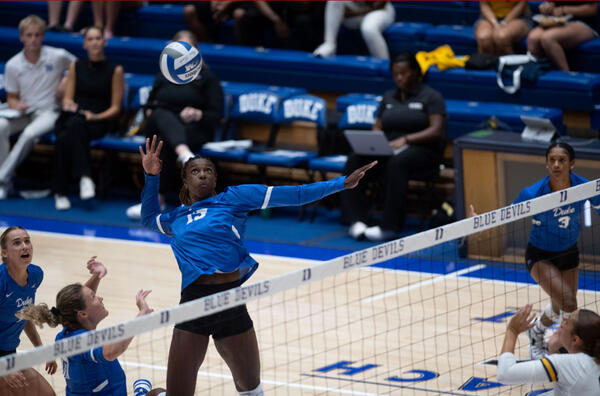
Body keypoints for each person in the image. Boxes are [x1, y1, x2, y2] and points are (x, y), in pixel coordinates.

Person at [138, 135, 375, 396]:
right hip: (193, 304)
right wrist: (151, 176)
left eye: (208, 171)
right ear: (186, 180)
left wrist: (342, 183)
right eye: (195, 171)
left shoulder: (234, 198)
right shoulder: (176, 218)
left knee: (252, 391)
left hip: (231, 302)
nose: (203, 175)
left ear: (215, 179)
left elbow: (294, 195)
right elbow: (149, 218)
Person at [470, 142, 600, 359]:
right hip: (540, 256)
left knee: (560, 307)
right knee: (569, 302)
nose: (556, 165)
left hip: (569, 253)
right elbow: (506, 215)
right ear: (547, 163)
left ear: (572, 163)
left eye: (562, 160)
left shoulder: (583, 187)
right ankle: (569, 357)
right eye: (552, 160)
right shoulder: (532, 193)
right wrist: (479, 223)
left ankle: (537, 330)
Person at [341, 52, 446, 242]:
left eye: (404, 73)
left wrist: (406, 140)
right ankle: (357, 220)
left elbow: (436, 130)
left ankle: (389, 226)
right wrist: (373, 142)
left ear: (415, 72)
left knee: (397, 163)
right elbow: (378, 126)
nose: (399, 78)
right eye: (396, 74)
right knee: (354, 160)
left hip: (422, 150)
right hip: (388, 149)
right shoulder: (389, 97)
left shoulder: (431, 96)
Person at [17, 256, 155, 396]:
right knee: (159, 393)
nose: (101, 298)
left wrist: (97, 276)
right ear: (82, 314)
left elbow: (78, 301)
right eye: (94, 297)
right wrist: (140, 318)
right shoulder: (82, 342)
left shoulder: (69, 332)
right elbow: (112, 352)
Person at [126, 30, 224, 220]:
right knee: (160, 114)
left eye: (188, 49)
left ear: (196, 52)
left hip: (193, 128)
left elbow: (216, 115)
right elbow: (150, 105)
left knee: (163, 143)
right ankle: (185, 154)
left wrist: (198, 114)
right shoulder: (164, 75)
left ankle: (157, 201)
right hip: (160, 124)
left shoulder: (207, 78)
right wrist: (151, 112)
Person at [0, 15, 75, 200]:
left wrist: (66, 79)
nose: (33, 39)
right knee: (0, 126)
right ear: (21, 37)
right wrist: (16, 104)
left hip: (49, 110)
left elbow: (78, 67)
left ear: (43, 36)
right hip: (24, 111)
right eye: (29, 35)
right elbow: (11, 97)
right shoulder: (12, 65)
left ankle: (1, 179)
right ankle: (6, 183)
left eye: (37, 35)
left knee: (29, 134)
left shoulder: (58, 55)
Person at [52, 25, 124, 211]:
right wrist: (69, 105)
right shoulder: (75, 66)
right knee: (74, 125)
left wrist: (95, 116)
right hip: (76, 115)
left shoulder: (115, 70)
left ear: (104, 42)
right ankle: (85, 177)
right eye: (90, 39)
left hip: (100, 120)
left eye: (98, 38)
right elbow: (67, 98)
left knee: (65, 136)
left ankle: (60, 192)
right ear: (84, 44)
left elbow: (116, 108)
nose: (94, 42)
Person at [0, 226, 56, 396]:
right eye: (17, 243)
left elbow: (24, 314)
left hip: (8, 352)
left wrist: (41, 349)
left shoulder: (35, 275)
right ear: (5, 253)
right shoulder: (1, 283)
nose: (25, 246)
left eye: (27, 241)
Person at [496, 304, 600, 394]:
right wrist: (553, 349)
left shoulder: (569, 363)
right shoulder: (594, 359)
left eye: (567, 322)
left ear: (575, 340)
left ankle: (535, 341)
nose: (563, 319)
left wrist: (512, 331)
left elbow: (505, 374)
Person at [527, 1, 598, 71]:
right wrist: (547, 7)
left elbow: (592, 9)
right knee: (533, 38)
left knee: (548, 38)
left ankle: (566, 76)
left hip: (584, 22)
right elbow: (554, 3)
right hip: (559, 21)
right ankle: (539, 75)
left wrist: (564, 10)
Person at [312, 0, 396, 59]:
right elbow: (344, 11)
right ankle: (329, 44)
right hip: (357, 13)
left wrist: (354, 13)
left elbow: (380, 4)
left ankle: (384, 63)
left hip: (380, 11)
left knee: (368, 28)